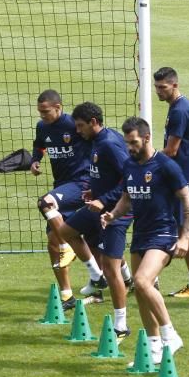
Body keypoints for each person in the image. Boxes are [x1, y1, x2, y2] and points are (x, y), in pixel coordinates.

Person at [101, 117, 189, 366]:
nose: (129, 147)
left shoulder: (165, 166)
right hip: (140, 234)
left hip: (164, 233)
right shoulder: (130, 165)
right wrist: (113, 214)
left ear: (147, 137)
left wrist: (184, 237)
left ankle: (170, 335)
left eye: (133, 142)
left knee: (141, 281)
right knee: (142, 293)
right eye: (127, 142)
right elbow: (127, 198)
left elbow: (188, 200)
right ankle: (153, 349)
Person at [37, 102, 133, 335]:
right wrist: (93, 190)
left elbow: (129, 178)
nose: (77, 131)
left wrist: (104, 199)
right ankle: (99, 278)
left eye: (80, 126)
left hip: (114, 212)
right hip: (96, 206)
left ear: (93, 122)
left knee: (110, 267)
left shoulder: (109, 143)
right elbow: (104, 173)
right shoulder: (96, 141)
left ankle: (121, 324)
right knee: (66, 232)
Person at [29, 90, 93, 310]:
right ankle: (67, 296)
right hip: (62, 186)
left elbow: (94, 142)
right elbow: (39, 145)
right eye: (40, 112)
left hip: (81, 183)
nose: (42, 115)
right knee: (52, 242)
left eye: (46, 111)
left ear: (58, 107)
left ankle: (113, 277)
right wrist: (36, 160)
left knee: (45, 204)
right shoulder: (42, 126)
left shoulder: (74, 126)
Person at [153, 67, 189, 299]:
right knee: (183, 230)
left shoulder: (180, 111)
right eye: (156, 87)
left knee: (184, 231)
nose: (158, 91)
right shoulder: (179, 107)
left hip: (182, 180)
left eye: (162, 87)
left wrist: (149, 160)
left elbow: (172, 150)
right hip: (182, 177)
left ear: (175, 85)